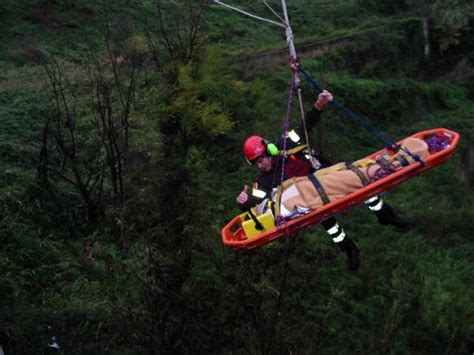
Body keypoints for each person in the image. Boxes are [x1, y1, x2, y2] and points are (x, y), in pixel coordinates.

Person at [236, 90, 409, 271]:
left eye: (263, 158)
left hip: (325, 175)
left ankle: (386, 216)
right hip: (312, 197)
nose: (262, 164)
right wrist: (243, 202)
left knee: (362, 187)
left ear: (269, 150)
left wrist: (318, 106)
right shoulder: (263, 181)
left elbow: (303, 127)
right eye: (256, 162)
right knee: (328, 223)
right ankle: (349, 248)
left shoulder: (285, 145)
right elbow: (259, 202)